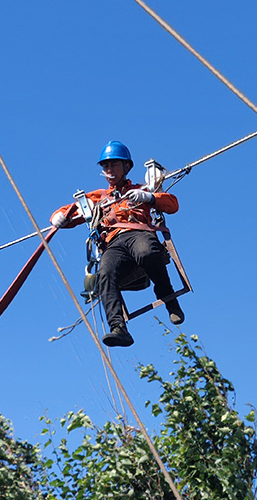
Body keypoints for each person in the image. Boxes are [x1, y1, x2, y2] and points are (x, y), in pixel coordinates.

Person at [50, 141, 185, 348]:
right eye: (106, 166)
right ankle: (118, 328)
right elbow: (72, 210)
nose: (109, 170)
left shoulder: (140, 189)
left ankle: (168, 298)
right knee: (104, 273)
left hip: (138, 232)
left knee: (147, 252)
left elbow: (172, 204)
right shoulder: (98, 197)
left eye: (114, 165)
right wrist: (58, 217)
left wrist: (149, 197)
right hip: (113, 242)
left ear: (127, 167)